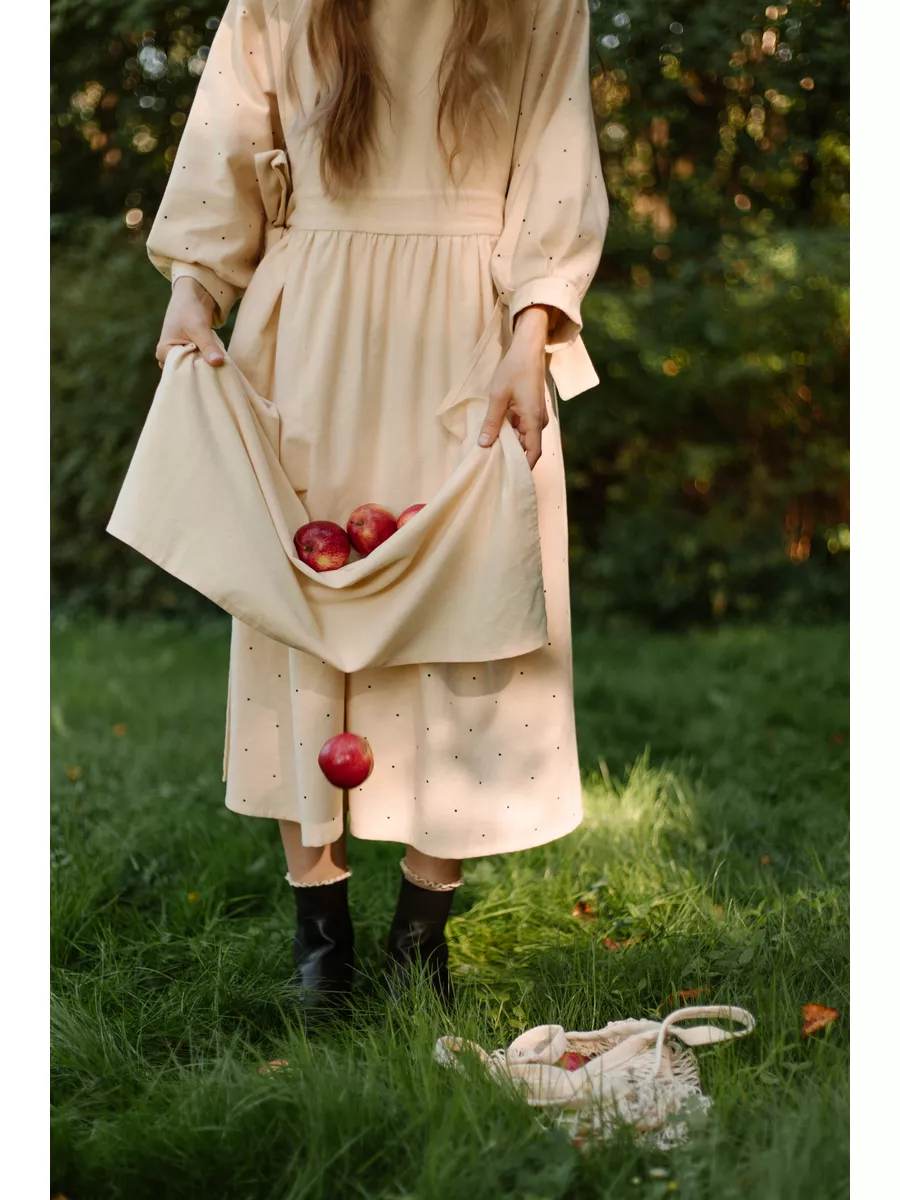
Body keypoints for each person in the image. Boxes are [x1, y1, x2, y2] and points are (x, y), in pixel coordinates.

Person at [145, 0, 608, 1015]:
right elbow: (228, 135)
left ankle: (419, 940)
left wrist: (531, 332)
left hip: (469, 332)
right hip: (307, 327)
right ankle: (321, 938)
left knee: (466, 613)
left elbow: (556, 157)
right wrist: (194, 289)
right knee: (302, 615)